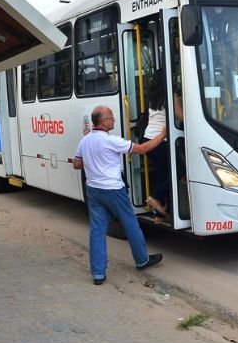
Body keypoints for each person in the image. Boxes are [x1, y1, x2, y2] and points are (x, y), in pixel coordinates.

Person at [73, 105, 166, 285]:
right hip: (113, 190)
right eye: (111, 118)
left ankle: (98, 274)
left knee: (97, 231)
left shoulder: (84, 141)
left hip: (93, 190)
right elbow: (142, 149)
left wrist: (94, 164)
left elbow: (77, 164)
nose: (114, 120)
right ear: (103, 121)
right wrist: (162, 135)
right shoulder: (111, 141)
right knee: (131, 224)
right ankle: (142, 260)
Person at [142, 75, 171, 224]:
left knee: (162, 176)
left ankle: (159, 215)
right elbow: (180, 115)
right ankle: (154, 197)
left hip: (148, 141)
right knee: (179, 171)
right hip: (161, 140)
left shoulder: (153, 99)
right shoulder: (170, 96)